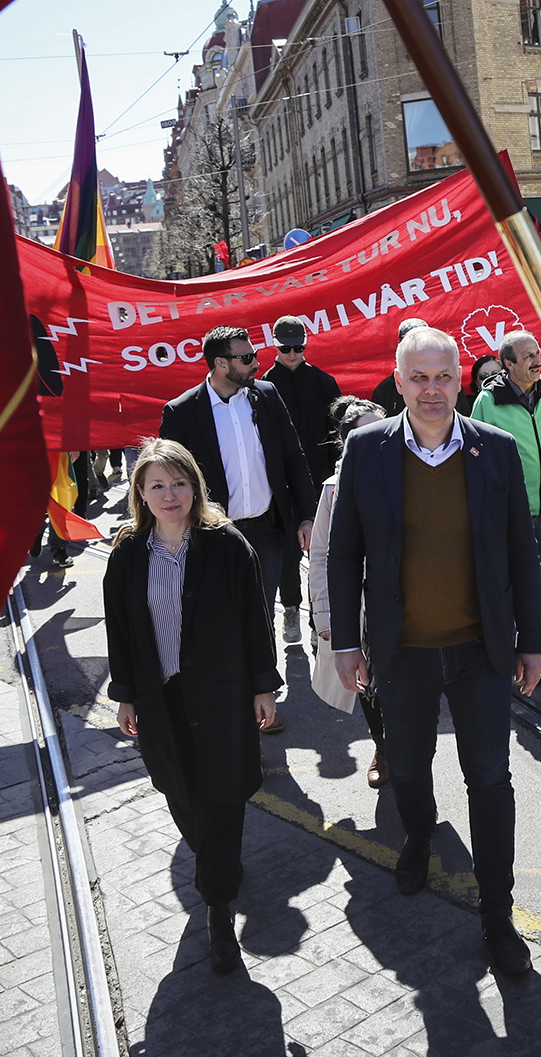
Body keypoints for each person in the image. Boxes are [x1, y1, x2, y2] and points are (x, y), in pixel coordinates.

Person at [327, 326, 541, 977]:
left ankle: (497, 915)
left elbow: (521, 555)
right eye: (418, 377)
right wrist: (346, 642)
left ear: (462, 380)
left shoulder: (496, 451)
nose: (431, 389)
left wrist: (532, 640)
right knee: (413, 766)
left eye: (442, 376)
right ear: (398, 383)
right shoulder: (366, 451)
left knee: (490, 780)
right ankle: (419, 835)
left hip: (480, 651)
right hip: (404, 653)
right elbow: (344, 554)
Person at [105, 439, 280, 973]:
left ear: (195, 486)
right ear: (140, 492)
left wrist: (263, 685)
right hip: (161, 698)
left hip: (223, 694)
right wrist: (126, 694)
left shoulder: (226, 546)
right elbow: (120, 631)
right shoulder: (129, 552)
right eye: (157, 485)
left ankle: (219, 912)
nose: (169, 494)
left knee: (222, 795)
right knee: (179, 791)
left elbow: (256, 620)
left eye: (179, 483)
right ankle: (218, 867)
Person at [158, 325, 316, 720]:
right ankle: (225, 695)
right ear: (220, 364)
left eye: (253, 356)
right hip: (212, 535)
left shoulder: (266, 396)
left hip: (266, 529)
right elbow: (165, 481)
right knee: (219, 617)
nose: (255, 363)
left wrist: (307, 516)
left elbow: (293, 458)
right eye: (246, 358)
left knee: (260, 613)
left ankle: (262, 696)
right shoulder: (183, 411)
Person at [471, 330, 541, 686]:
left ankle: (519, 641)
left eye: (537, 352)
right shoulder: (488, 402)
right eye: (526, 356)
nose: (535, 359)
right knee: (524, 581)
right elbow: (479, 458)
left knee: (537, 582)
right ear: (508, 364)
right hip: (513, 510)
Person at [309, 397, 391, 787]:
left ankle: (406, 750)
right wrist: (326, 619)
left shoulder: (412, 471)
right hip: (360, 609)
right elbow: (321, 555)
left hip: (407, 606)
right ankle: (383, 746)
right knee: (368, 683)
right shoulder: (333, 489)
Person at [265, 315, 341, 644]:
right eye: (286, 348)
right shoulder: (263, 387)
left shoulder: (324, 383)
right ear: (274, 345)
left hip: (322, 482)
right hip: (280, 486)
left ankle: (318, 619)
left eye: (298, 347)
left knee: (322, 556)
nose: (292, 353)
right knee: (287, 554)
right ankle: (292, 609)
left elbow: (339, 433)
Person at [372, 317, 432, 415]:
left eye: (422, 342)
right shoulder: (385, 390)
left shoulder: (447, 381)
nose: (417, 348)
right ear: (400, 347)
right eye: (410, 343)